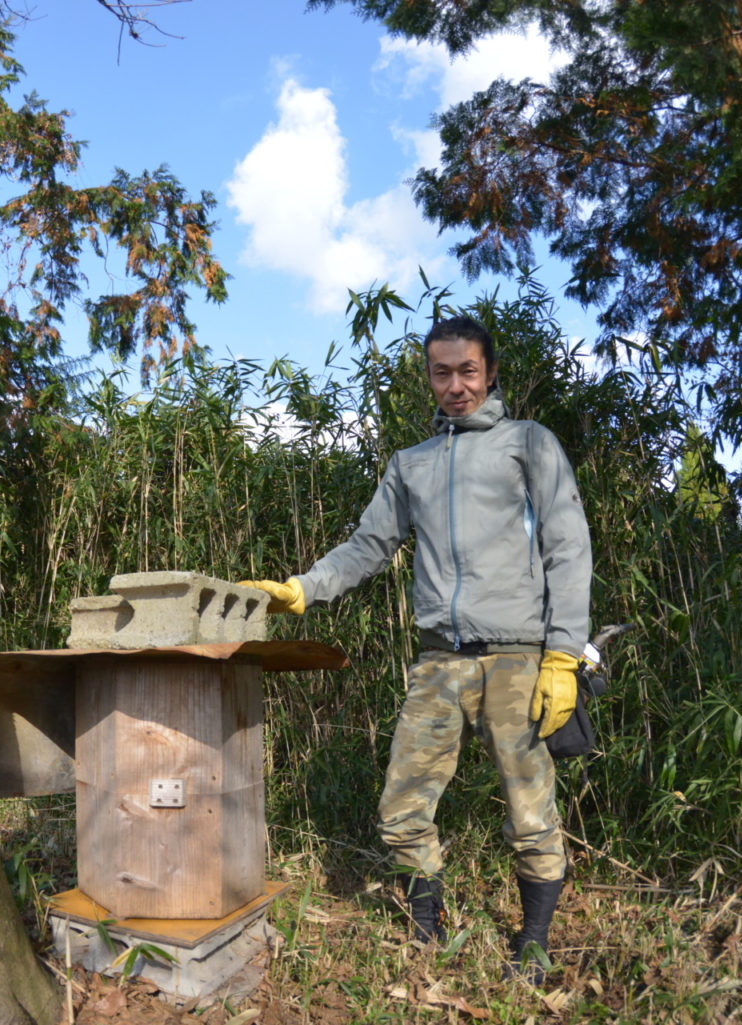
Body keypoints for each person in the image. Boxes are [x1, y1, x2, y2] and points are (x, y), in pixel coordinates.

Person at [239, 315, 592, 982]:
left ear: (489, 372)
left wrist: (565, 653)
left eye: (467, 370)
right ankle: (427, 930)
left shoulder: (529, 445)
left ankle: (534, 941)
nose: (455, 385)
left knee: (530, 810)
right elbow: (368, 546)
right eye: (441, 372)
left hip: (520, 657)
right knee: (401, 808)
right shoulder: (412, 465)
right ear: (427, 377)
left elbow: (569, 547)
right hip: (440, 660)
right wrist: (302, 589)